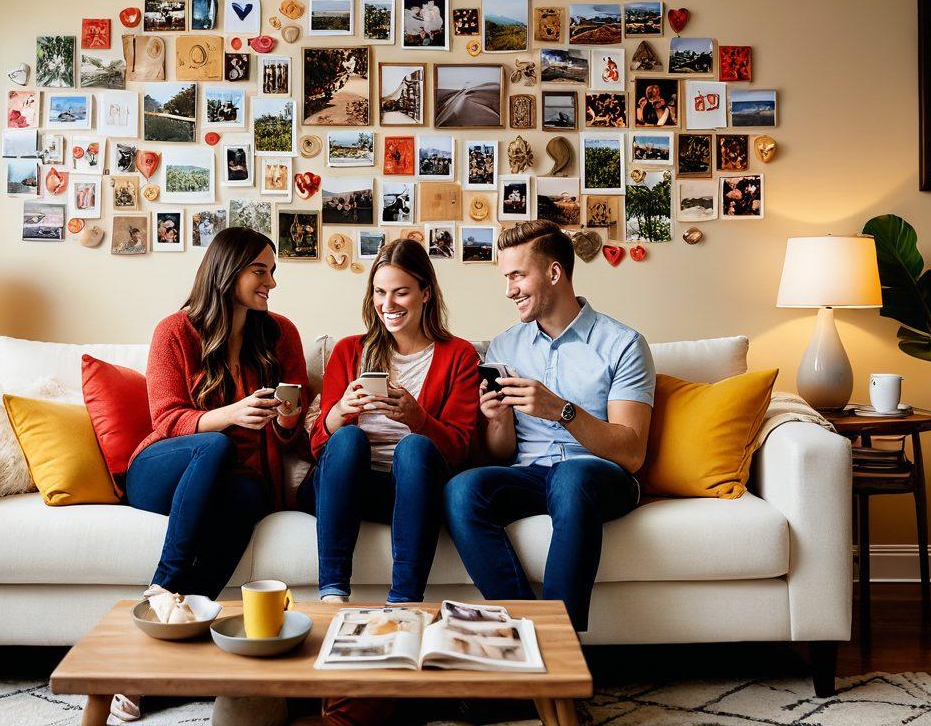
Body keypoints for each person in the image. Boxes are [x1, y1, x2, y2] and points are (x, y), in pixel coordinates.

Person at [113, 227, 308, 723]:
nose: (271, 282)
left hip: (233, 482)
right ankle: (163, 588)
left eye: (273, 271)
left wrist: (287, 420)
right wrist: (231, 414)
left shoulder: (280, 333)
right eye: (260, 270)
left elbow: (294, 438)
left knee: (248, 493)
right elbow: (166, 421)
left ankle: (158, 671)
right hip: (163, 470)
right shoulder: (175, 331)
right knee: (216, 445)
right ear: (228, 272)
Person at [444, 219, 655, 633]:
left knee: (570, 475)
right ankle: (526, 632)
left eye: (518, 275)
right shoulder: (505, 346)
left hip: (598, 477)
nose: (509, 290)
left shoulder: (623, 344)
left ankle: (559, 644)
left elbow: (631, 452)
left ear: (555, 273)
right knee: (461, 489)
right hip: (530, 476)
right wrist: (499, 420)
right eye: (506, 277)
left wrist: (562, 410)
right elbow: (503, 454)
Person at [304, 238, 479, 605]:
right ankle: (333, 594)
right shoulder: (350, 350)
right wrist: (339, 412)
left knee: (414, 446)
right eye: (380, 292)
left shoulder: (458, 355)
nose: (387, 305)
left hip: (415, 491)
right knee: (349, 439)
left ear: (425, 293)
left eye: (401, 293)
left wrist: (419, 419)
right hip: (347, 489)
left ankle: (404, 599)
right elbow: (321, 448)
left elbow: (461, 449)